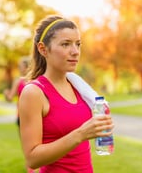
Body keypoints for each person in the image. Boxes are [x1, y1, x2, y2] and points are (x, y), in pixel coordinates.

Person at [18, 16, 114, 172]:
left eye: (78, 44)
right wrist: (81, 134)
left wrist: (99, 127)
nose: (75, 52)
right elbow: (32, 159)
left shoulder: (78, 86)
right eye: (65, 44)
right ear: (43, 49)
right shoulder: (34, 93)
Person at [4, 56, 30, 125]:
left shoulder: (34, 79)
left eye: (20, 66)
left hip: (35, 112)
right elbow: (10, 98)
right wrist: (6, 94)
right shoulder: (18, 81)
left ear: (27, 67)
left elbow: (9, 98)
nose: (19, 68)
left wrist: (6, 94)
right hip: (22, 114)